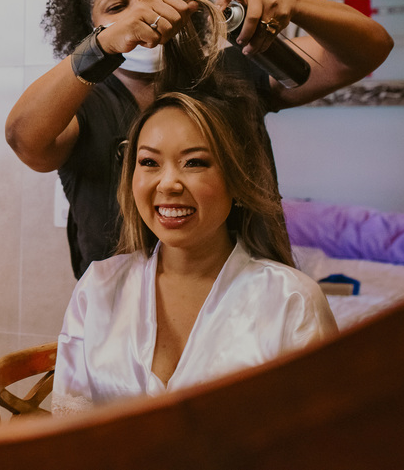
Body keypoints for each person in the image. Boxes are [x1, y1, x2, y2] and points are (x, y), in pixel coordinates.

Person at [5, 0, 393, 278]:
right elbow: (25, 139)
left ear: (183, 3)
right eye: (117, 6)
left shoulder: (231, 73)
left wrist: (295, 3)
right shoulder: (81, 103)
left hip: (247, 300)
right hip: (121, 317)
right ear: (91, 28)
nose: (140, 10)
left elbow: (367, 51)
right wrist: (103, 48)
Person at [50, 92, 339, 414]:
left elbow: (319, 440)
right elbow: (70, 427)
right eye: (149, 163)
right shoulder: (99, 286)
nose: (169, 183)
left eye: (194, 162)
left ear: (237, 180)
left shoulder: (292, 299)